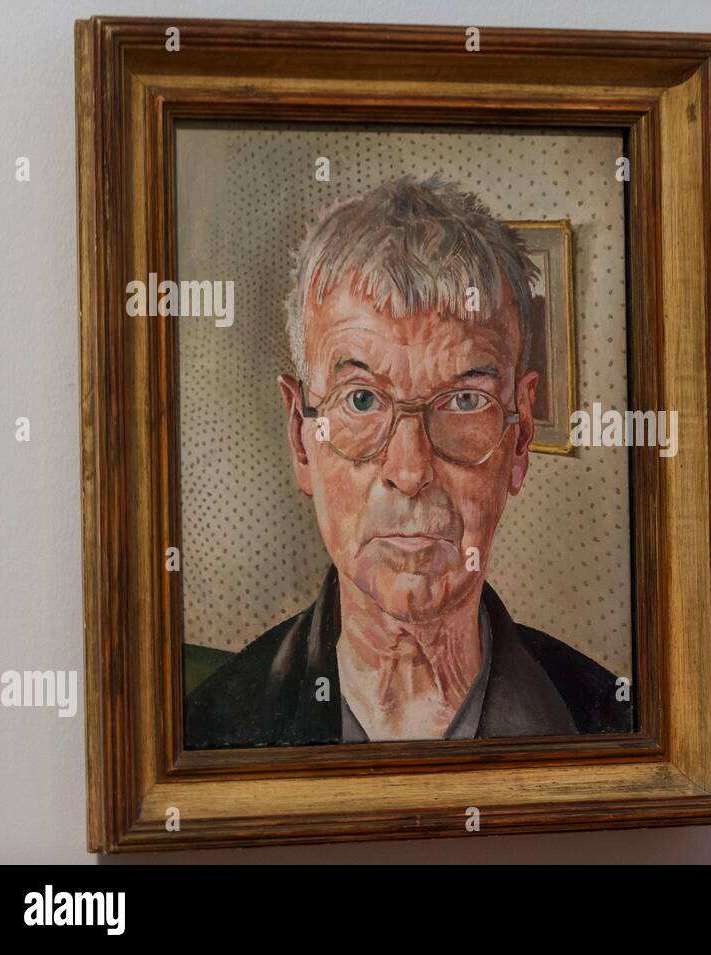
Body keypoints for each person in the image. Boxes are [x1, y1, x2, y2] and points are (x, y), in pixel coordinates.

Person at [185, 174, 632, 748]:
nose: (411, 469)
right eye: (362, 399)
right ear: (302, 438)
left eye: (465, 401)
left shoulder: (612, 725)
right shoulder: (209, 734)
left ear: (518, 441)